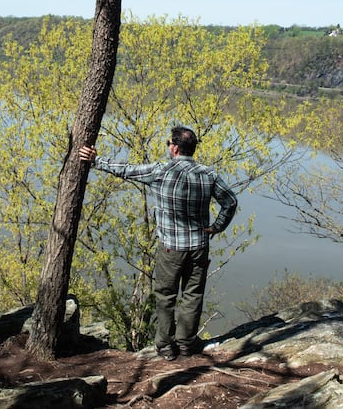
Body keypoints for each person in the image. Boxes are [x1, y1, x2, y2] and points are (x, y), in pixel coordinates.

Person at [79, 126, 238, 361]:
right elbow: (231, 201)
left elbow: (126, 170)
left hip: (171, 248)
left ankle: (165, 346)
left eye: (168, 143)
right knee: (193, 295)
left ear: (174, 147)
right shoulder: (208, 174)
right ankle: (185, 343)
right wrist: (217, 226)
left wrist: (96, 160)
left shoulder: (161, 171)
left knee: (165, 296)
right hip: (198, 247)